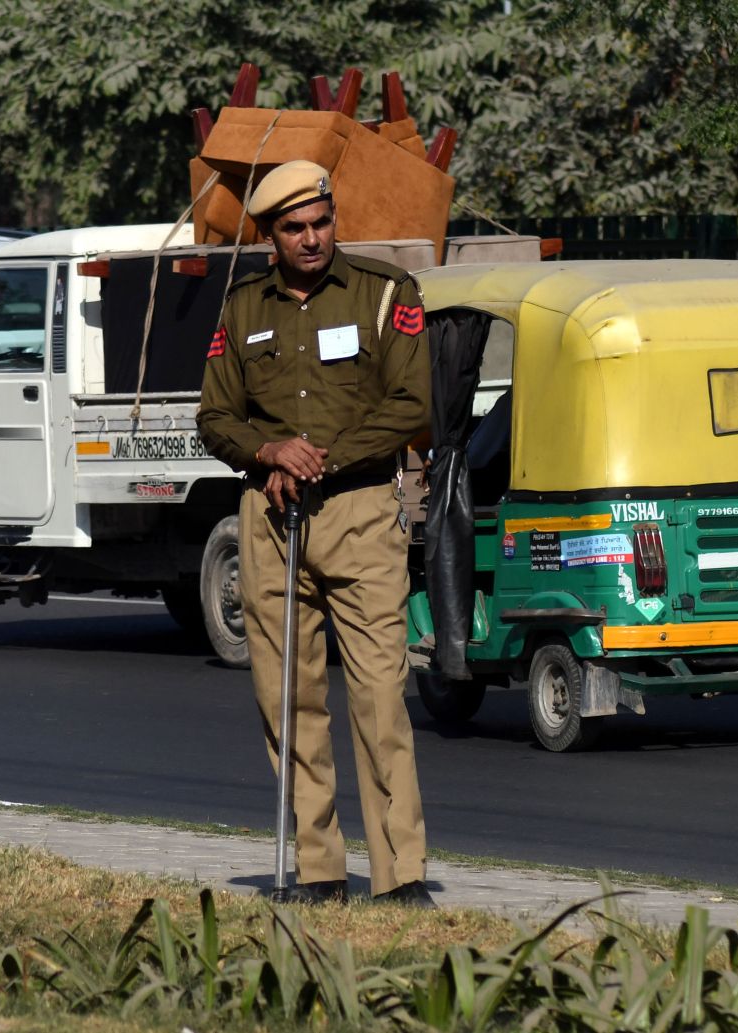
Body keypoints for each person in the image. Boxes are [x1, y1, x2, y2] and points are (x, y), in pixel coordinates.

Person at [197, 159, 435, 907]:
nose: (312, 238)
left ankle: (402, 875)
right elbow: (215, 416)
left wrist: (320, 457)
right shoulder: (241, 309)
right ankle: (319, 867)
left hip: (361, 511)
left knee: (379, 695)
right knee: (287, 696)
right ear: (271, 235)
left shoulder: (384, 293)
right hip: (271, 517)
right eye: (294, 228)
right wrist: (266, 452)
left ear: (336, 217)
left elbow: (411, 403)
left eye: (321, 222)